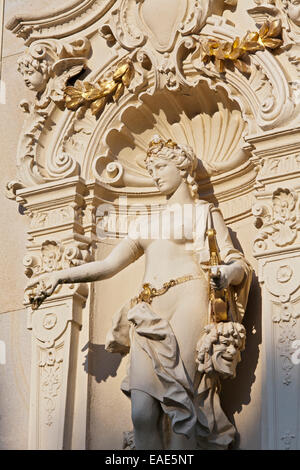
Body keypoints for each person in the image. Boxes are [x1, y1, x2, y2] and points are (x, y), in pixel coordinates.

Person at [28, 136, 252, 450]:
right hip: (148, 309)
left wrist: (226, 273)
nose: (155, 174)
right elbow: (107, 265)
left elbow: (235, 263)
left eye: (161, 166)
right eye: (151, 169)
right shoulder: (146, 222)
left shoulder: (204, 213)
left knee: (184, 403)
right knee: (143, 412)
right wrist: (58, 276)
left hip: (190, 298)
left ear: (182, 167)